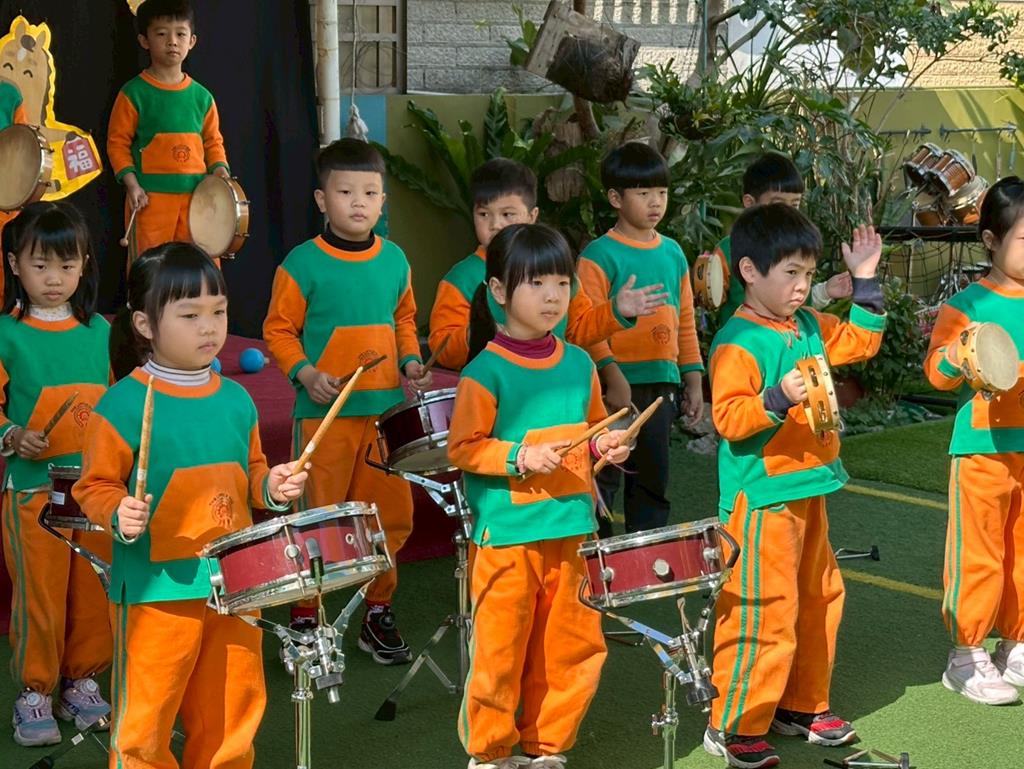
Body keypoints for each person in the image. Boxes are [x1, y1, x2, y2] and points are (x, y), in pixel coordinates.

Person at [75, 243, 307, 769]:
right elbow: (94, 486)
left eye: (218, 312)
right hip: (156, 591)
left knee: (232, 714)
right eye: (190, 315)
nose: (209, 327)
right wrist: (117, 510)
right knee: (146, 722)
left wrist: (272, 487)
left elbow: (250, 474)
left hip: (236, 584)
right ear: (144, 324)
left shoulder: (237, 399)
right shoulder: (120, 404)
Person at [704, 204, 886, 768]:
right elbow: (728, 418)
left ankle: (801, 705)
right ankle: (734, 723)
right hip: (762, 499)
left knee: (819, 597)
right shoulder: (738, 340)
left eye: (808, 274)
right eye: (791, 273)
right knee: (762, 609)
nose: (803, 286)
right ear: (749, 271)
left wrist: (865, 279)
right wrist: (778, 397)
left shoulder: (807, 324)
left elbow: (859, 342)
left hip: (808, 487)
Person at [448, 223, 632, 769]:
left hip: (572, 528)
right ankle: (490, 752)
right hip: (508, 535)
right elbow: (463, 447)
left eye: (562, 283)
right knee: (500, 648)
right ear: (499, 291)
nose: (553, 296)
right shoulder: (484, 371)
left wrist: (606, 446)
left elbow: (592, 431)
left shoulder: (579, 363)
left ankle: (547, 746)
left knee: (573, 645)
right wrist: (518, 457)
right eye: (536, 284)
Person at [264, 137, 428, 664]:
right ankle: (306, 615)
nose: (359, 202)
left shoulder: (395, 259)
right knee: (316, 517)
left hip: (383, 416)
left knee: (388, 517)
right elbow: (278, 330)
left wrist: (410, 362)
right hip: (324, 417)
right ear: (321, 199)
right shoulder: (301, 263)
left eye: (370, 193)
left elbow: (404, 319)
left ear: (382, 202)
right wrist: (306, 373)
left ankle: (377, 612)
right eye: (345, 191)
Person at [0, 201, 111, 746]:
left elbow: (121, 404)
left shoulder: (101, 331)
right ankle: (35, 691)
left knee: (92, 591)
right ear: (14, 265)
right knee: (41, 595)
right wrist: (12, 435)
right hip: (33, 490)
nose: (53, 278)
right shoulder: (6, 333)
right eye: (40, 265)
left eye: (66, 266)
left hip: (94, 492)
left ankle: (81, 682)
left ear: (84, 264)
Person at [428, 157, 667, 411]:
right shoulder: (461, 279)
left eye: (507, 214)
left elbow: (579, 329)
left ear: (532, 216)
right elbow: (442, 350)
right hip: (496, 402)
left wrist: (616, 310)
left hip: (557, 393)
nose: (495, 224)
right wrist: (480, 328)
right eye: (483, 214)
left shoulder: (556, 272)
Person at [924, 175, 1024, 706]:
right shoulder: (968, 304)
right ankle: (966, 654)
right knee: (979, 550)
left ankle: (1016, 642)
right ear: (991, 240)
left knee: (1022, 550)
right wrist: (959, 353)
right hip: (983, 446)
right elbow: (936, 374)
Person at [577, 142, 703, 535]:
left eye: (662, 192)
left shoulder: (673, 253)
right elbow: (585, 325)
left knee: (652, 478)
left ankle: (645, 554)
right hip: (611, 387)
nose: (655, 202)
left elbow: (685, 320)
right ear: (616, 198)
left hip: (661, 384)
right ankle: (596, 553)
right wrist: (612, 375)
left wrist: (693, 380)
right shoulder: (598, 256)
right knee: (604, 474)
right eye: (644, 192)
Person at [107, 0, 231, 265]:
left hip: (198, 201)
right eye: (162, 33)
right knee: (151, 268)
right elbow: (117, 143)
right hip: (150, 200)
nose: (172, 41)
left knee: (199, 266)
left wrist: (220, 170)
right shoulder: (133, 93)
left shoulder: (202, 97)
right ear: (144, 40)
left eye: (180, 34)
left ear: (192, 41)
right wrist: (132, 185)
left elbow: (213, 142)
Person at [714, 153, 852, 323]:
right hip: (743, 337)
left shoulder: (797, 248)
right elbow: (708, 296)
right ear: (750, 203)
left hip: (786, 338)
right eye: (778, 204)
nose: (787, 212)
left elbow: (797, 302)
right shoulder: (728, 249)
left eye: (795, 204)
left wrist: (824, 291)